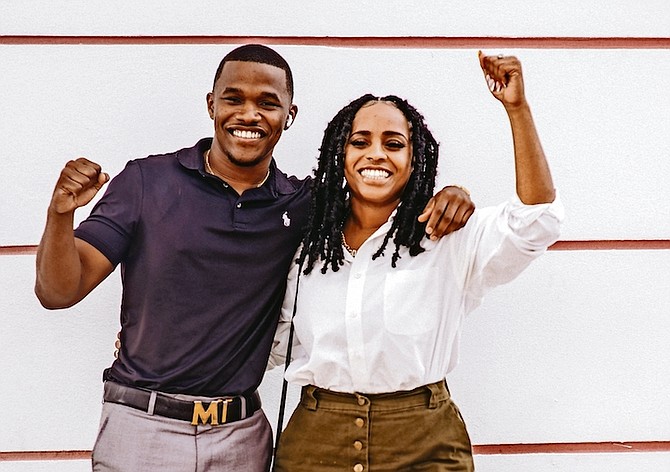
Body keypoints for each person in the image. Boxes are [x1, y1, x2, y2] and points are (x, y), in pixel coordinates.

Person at [34, 44, 474, 471]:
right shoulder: (147, 181)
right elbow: (58, 291)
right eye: (233, 99)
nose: (249, 114)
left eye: (267, 103)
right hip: (143, 426)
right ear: (211, 105)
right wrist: (60, 214)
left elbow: (378, 195)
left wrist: (453, 195)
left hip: (240, 435)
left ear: (289, 115)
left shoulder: (308, 206)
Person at [269, 51, 564, 471]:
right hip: (316, 441)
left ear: (415, 158)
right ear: (340, 152)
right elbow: (272, 339)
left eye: (393, 144)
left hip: (423, 441)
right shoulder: (306, 242)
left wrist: (517, 109)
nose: (376, 155)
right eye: (360, 142)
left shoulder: (447, 236)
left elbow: (537, 221)